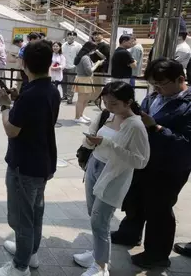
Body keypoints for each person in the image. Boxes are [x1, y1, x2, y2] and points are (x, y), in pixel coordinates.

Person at [111, 58, 191, 269]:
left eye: (161, 84)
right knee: (135, 198)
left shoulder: (188, 104)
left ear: (180, 79)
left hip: (169, 167)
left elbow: (186, 145)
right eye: (153, 85)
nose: (156, 89)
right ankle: (129, 233)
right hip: (142, 159)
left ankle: (157, 254)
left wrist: (156, 128)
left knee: (159, 208)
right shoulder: (154, 96)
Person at [0, 40, 61, 276]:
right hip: (42, 161)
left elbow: (12, 129)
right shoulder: (51, 90)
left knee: (22, 218)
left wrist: (4, 106)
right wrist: (16, 100)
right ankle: (30, 253)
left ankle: (20, 266)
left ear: (24, 64)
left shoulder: (30, 95)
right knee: (35, 213)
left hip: (24, 165)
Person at [72, 81, 149, 276]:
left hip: (114, 175)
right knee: (94, 214)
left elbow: (140, 161)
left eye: (114, 103)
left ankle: (101, 266)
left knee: (100, 219)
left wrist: (107, 143)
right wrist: (90, 141)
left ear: (128, 101)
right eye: (105, 101)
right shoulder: (107, 114)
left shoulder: (135, 125)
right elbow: (93, 139)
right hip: (94, 167)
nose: (108, 106)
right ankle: (98, 253)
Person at [74, 42, 104, 124]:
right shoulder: (85, 58)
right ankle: (77, 117)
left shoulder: (84, 56)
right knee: (81, 100)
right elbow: (89, 71)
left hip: (84, 79)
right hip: (84, 79)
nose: (94, 51)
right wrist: (97, 64)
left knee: (86, 99)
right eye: (94, 49)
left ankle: (81, 115)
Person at [62, 32, 82, 104]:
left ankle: (70, 97)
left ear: (75, 37)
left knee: (70, 84)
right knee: (63, 82)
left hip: (73, 67)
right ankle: (64, 95)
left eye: (73, 37)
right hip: (63, 66)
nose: (71, 38)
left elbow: (80, 56)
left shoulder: (78, 46)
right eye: (69, 36)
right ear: (67, 37)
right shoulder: (63, 45)